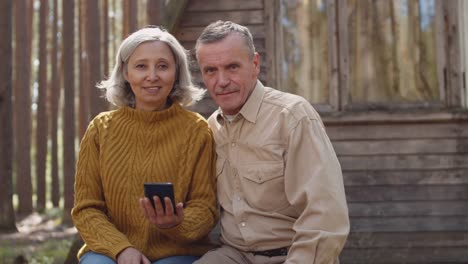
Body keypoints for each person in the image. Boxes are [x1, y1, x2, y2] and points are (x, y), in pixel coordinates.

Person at [193, 21, 350, 264]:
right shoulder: (212, 127)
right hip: (234, 255)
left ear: (254, 64)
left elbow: (325, 218)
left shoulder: (292, 116)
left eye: (232, 67)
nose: (221, 81)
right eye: (210, 70)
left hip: (292, 255)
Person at [71, 26, 219, 264]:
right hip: (109, 252)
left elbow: (205, 207)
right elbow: (86, 209)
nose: (152, 76)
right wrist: (121, 249)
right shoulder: (100, 129)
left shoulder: (197, 130)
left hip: (177, 251)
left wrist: (176, 224)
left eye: (162, 66)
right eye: (141, 66)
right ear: (126, 73)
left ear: (176, 72)